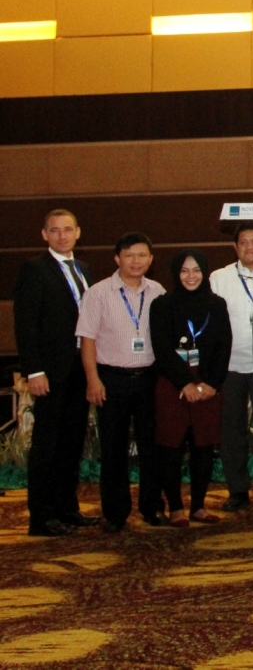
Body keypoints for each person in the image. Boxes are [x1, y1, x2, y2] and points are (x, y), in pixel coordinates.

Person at [76, 232, 168, 532]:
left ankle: (152, 508)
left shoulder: (158, 291)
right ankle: (115, 513)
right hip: (110, 379)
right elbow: (87, 340)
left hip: (149, 379)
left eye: (142, 255)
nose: (136, 261)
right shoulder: (98, 293)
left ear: (151, 260)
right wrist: (93, 380)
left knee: (152, 447)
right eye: (129, 255)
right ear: (117, 259)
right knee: (113, 449)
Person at [13, 209, 96, 536]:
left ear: (78, 232)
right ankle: (41, 516)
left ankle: (67, 508)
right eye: (54, 230)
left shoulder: (84, 269)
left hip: (80, 369)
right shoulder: (34, 270)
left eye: (67, 229)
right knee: (47, 444)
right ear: (44, 235)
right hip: (50, 371)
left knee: (71, 442)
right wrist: (34, 370)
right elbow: (26, 326)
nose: (62, 235)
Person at [150, 250, 232, 528]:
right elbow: (161, 348)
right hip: (173, 383)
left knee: (203, 446)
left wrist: (211, 383)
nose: (190, 276)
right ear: (175, 273)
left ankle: (198, 506)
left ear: (205, 272)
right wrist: (184, 382)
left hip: (208, 383)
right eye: (184, 270)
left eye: (196, 270)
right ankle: (175, 507)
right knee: (171, 446)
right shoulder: (162, 305)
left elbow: (224, 346)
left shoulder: (216, 305)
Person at [208, 221, 253, 511]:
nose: (249, 247)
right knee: (231, 431)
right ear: (235, 246)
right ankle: (237, 489)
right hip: (229, 368)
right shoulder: (218, 278)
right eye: (243, 242)